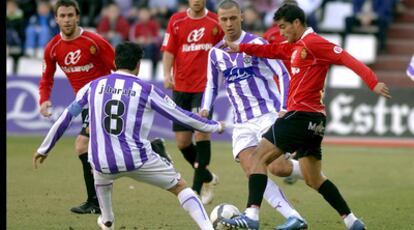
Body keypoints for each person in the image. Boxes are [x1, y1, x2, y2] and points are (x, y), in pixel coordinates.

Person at [220, 4, 391, 230]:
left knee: (257, 159)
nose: (281, 33)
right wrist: (239, 47)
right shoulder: (294, 46)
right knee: (314, 178)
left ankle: (251, 216)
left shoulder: (314, 43)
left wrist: (372, 82)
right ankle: (352, 221)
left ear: (297, 24)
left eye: (283, 27)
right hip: (316, 122)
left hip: (300, 115)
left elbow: (347, 58)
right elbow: (270, 51)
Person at [33, 41, 225, 230]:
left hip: (102, 163)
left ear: (115, 62)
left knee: (100, 174)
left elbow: (65, 118)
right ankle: (207, 228)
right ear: (139, 65)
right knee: (181, 188)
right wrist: (214, 126)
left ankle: (107, 220)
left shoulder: (92, 86)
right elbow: (183, 116)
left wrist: (44, 148)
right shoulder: (146, 90)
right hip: (138, 160)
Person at [200, 1, 307, 229]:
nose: (228, 24)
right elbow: (210, 85)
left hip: (266, 115)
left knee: (278, 168)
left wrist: (284, 108)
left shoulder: (257, 44)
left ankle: (311, 173)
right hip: (241, 123)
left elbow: (283, 73)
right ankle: (294, 217)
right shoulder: (215, 53)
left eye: (232, 18)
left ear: (241, 17)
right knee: (253, 172)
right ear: (218, 21)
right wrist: (204, 110)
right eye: (223, 19)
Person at [39, 0, 116, 214]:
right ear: (56, 19)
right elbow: (46, 77)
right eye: (62, 16)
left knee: (82, 146)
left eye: (70, 15)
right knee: (98, 149)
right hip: (84, 103)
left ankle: (95, 202)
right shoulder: (53, 48)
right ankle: (152, 147)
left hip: (106, 99)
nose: (66, 20)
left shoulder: (95, 41)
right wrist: (44, 99)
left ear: (78, 17)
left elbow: (117, 67)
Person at [161, 0, 224, 204]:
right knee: (183, 142)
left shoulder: (215, 21)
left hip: (204, 87)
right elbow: (169, 50)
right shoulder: (176, 20)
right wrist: (166, 74)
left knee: (202, 133)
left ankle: (196, 189)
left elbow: (226, 49)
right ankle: (207, 177)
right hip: (181, 87)